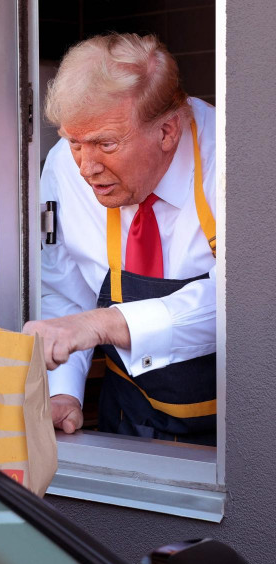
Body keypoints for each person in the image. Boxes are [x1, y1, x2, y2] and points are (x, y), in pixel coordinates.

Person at [23, 33, 216, 445]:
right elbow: (66, 290)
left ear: (167, 131)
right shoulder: (63, 166)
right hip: (126, 417)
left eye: (105, 144)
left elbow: (245, 305)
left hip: (233, 434)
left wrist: (102, 324)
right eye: (74, 142)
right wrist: (62, 391)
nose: (86, 167)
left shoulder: (232, 158)